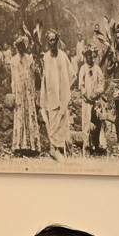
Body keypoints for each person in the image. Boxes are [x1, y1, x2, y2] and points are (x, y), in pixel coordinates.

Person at [39, 30, 76, 158]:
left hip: (62, 94)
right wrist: (44, 95)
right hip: (51, 95)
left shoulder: (63, 56)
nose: (52, 42)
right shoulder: (45, 58)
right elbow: (44, 78)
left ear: (57, 40)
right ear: (47, 42)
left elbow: (71, 75)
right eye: (50, 40)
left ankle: (62, 147)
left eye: (54, 39)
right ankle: (53, 147)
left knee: (63, 122)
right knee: (53, 122)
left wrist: (65, 90)